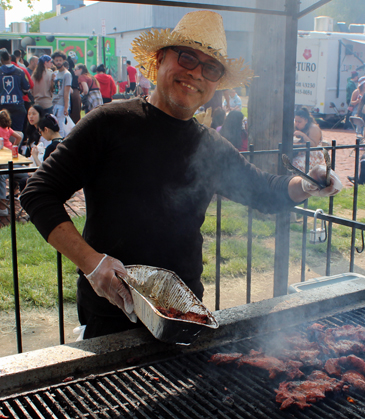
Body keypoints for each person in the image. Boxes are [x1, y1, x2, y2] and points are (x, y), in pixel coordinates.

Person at [20, 10, 341, 340]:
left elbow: (264, 190)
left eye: (210, 67)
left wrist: (305, 183)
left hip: (183, 314)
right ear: (160, 59)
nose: (196, 74)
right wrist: (92, 263)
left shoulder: (211, 146)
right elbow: (37, 193)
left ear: (216, 82)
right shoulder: (109, 123)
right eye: (187, 57)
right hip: (111, 311)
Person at [0, 49, 30, 131]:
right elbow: (26, 88)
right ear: (10, 57)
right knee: (17, 131)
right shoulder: (20, 71)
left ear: (1, 60)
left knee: (2, 131)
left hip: (2, 106)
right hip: (18, 106)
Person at [292, 106, 325, 172]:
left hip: (314, 154)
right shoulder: (296, 126)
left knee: (295, 163)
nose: (297, 123)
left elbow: (313, 145)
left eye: (299, 122)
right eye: (296, 121)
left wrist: (303, 135)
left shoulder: (313, 128)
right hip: (302, 151)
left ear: (306, 121)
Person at [51, 51, 73, 136]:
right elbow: (52, 89)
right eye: (56, 60)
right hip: (54, 102)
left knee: (61, 126)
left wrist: (66, 107)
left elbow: (66, 91)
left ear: (63, 60)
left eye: (60, 60)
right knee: (55, 125)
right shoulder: (55, 73)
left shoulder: (67, 74)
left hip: (62, 103)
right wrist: (52, 80)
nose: (58, 62)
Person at [65, 57, 82, 124]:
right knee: (76, 113)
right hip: (75, 92)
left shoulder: (66, 73)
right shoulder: (74, 74)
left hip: (70, 91)